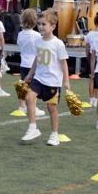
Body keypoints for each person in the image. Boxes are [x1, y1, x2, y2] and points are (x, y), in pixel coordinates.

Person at [24, 11, 69, 147]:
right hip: (39, 78)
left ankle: (54, 134)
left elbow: (63, 63)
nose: (40, 27)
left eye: (44, 24)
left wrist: (66, 81)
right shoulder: (38, 41)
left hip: (53, 81)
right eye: (39, 24)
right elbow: (37, 59)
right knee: (29, 98)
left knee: (51, 108)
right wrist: (30, 74)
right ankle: (33, 127)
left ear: (53, 26)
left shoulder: (58, 44)